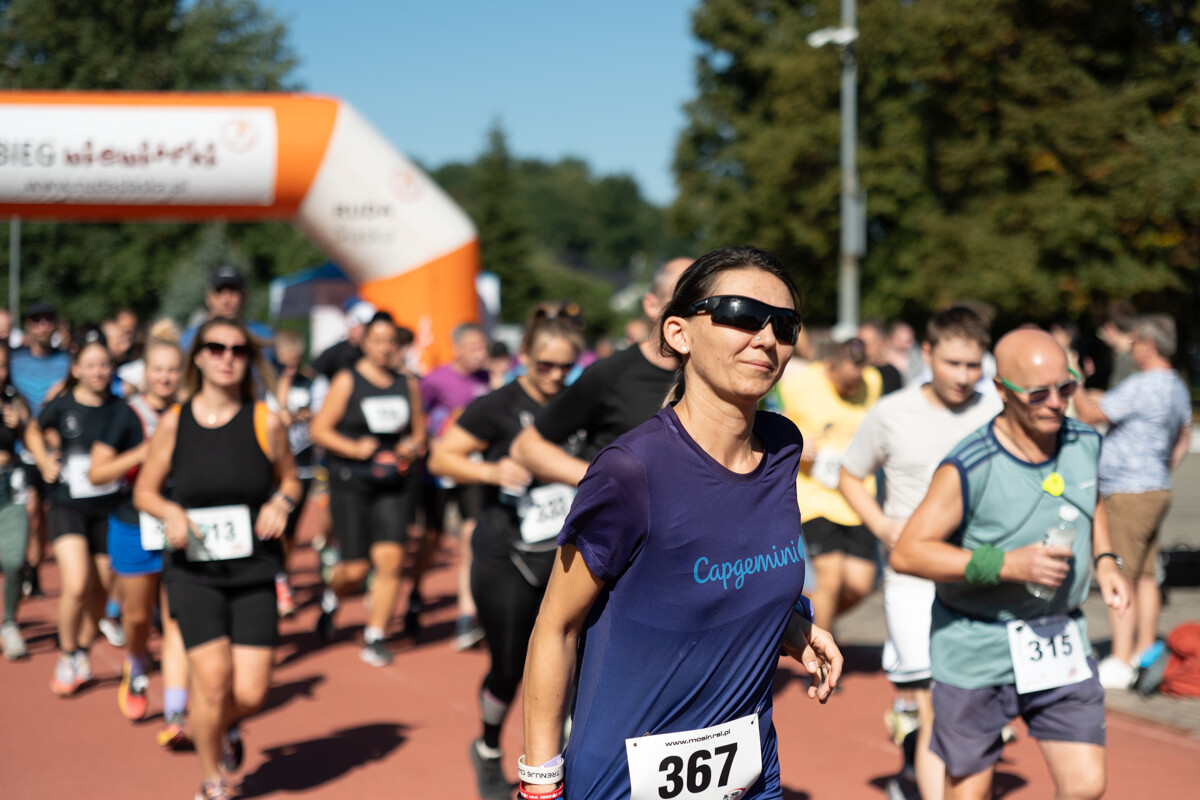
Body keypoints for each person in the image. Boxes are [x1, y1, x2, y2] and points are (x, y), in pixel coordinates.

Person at [520, 246, 841, 800]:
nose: (766, 338)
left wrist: (789, 622)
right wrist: (540, 782)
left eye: (785, 325)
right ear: (678, 332)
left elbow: (728, 565)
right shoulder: (630, 470)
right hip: (626, 781)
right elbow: (557, 627)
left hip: (749, 773)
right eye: (741, 314)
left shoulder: (784, 447)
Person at [890, 328, 1131, 800]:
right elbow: (908, 552)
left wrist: (1104, 560)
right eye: (1038, 393)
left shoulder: (1084, 442)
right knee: (969, 792)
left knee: (1086, 784)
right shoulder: (969, 464)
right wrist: (1005, 565)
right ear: (1001, 390)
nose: (1056, 403)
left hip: (1058, 636)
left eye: (1066, 388)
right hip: (976, 644)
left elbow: (1091, 499)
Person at [838, 307, 1002, 800]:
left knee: (969, 702)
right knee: (933, 702)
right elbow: (849, 474)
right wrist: (883, 525)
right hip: (911, 578)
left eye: (974, 365)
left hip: (977, 574)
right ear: (927, 354)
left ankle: (935, 773)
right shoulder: (893, 412)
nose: (964, 376)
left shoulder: (995, 409)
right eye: (953, 363)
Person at [134, 316, 299, 800]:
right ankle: (212, 777)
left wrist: (281, 502)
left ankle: (219, 727)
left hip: (253, 568)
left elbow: (290, 478)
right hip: (193, 571)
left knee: (249, 693)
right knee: (212, 680)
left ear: (248, 359)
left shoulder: (265, 420)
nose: (227, 357)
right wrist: (171, 513)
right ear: (199, 357)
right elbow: (144, 490)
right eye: (216, 348)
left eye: (238, 350)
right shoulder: (173, 422)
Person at [427, 315, 584, 799]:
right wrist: (494, 472)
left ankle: (567, 765)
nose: (556, 375)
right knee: (511, 666)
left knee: (575, 661)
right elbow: (441, 457)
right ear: (524, 358)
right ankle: (490, 747)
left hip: (567, 554)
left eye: (566, 366)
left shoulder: (580, 403)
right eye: (545, 364)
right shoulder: (497, 406)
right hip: (506, 554)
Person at [1071, 313, 1192, 689]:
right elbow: (1184, 436)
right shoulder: (1176, 386)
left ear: (1150, 346)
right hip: (1154, 487)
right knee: (1146, 576)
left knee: (1119, 572)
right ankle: (1142, 650)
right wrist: (1161, 467)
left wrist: (1074, 380)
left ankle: (1122, 660)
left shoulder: (1144, 385)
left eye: (1136, 340)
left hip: (1128, 491)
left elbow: (1090, 414)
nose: (1132, 346)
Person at [510, 257, 692, 487]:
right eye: (685, 303)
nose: (695, 314)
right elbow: (527, 446)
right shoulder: (611, 373)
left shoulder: (711, 376)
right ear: (651, 305)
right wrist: (608, 481)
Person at [309, 312, 426, 665]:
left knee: (390, 560)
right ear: (365, 342)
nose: (385, 348)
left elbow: (420, 432)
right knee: (356, 570)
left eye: (391, 342)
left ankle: (375, 635)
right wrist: (353, 448)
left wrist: (412, 445)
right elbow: (320, 430)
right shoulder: (347, 380)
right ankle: (332, 594)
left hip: (394, 483)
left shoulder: (408, 383)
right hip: (353, 481)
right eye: (378, 341)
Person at [89, 338, 190, 729]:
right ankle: (137, 667)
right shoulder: (124, 415)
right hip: (133, 525)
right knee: (136, 618)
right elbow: (97, 473)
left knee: (177, 616)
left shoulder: (191, 413)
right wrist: (143, 454)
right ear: (145, 373)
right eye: (158, 369)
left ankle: (176, 709)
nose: (165, 377)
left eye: (172, 369)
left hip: (179, 523)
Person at [24, 328, 124, 695]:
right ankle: (67, 653)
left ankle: (83, 648)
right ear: (77, 369)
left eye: (104, 365)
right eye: (91, 365)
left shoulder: (120, 410)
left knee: (100, 592)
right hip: (67, 504)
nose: (98, 371)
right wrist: (42, 459)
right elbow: (34, 429)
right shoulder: (63, 404)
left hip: (107, 508)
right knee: (77, 582)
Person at [778, 337, 883, 633]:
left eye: (855, 382)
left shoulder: (872, 382)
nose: (851, 389)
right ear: (829, 366)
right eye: (844, 382)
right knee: (830, 580)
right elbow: (774, 419)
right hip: (815, 495)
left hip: (856, 494)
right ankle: (823, 665)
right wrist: (797, 442)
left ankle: (807, 623)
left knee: (861, 584)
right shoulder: (800, 385)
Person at [412, 322, 491, 647]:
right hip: (438, 471)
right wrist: (429, 440)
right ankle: (415, 591)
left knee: (471, 538)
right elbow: (419, 414)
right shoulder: (435, 379)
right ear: (456, 348)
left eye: (482, 348)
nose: (480, 354)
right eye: (473, 348)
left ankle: (465, 616)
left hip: (472, 469)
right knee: (432, 538)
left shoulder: (486, 380)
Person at [11, 300, 71, 599]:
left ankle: (36, 564)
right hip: (24, 449)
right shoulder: (14, 359)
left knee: (47, 515)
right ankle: (30, 569)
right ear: (29, 325)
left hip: (57, 450)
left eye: (48, 320)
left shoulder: (67, 361)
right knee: (31, 509)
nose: (43, 325)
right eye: (37, 320)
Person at [0, 344, 31, 659]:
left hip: (11, 486)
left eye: (3, 366)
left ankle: (9, 622)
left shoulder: (14, 402)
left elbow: (33, 435)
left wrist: (19, 425)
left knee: (14, 559)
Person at [179, 266, 273, 353]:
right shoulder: (189, 340)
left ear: (244, 296)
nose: (225, 301)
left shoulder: (264, 338)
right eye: (219, 292)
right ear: (208, 297)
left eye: (232, 292)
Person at [311, 299, 376, 380]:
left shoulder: (374, 353)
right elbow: (311, 373)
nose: (362, 329)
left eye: (367, 326)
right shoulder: (334, 353)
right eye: (360, 324)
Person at [859, 318, 904, 394]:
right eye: (859, 345)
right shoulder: (856, 372)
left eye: (868, 344)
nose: (862, 350)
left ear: (882, 343)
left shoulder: (892, 376)